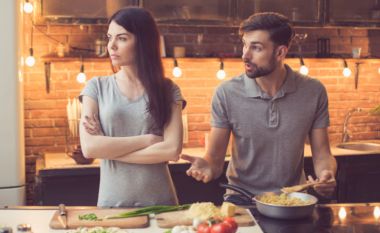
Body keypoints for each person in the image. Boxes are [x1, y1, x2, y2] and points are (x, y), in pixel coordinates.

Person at [180, 12, 337, 205]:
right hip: (240, 199)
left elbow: (322, 154)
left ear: (280, 53)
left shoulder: (313, 91)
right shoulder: (226, 93)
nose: (245, 54)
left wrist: (326, 173)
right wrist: (208, 167)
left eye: (256, 47)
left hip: (292, 199)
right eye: (245, 44)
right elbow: (214, 158)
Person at [79, 7, 186, 207]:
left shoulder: (169, 89)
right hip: (112, 205)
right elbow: (90, 147)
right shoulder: (96, 87)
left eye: (122, 38)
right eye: (110, 37)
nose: (111, 46)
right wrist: (149, 140)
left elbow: (172, 150)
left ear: (144, 42)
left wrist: (108, 148)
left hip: (161, 205)